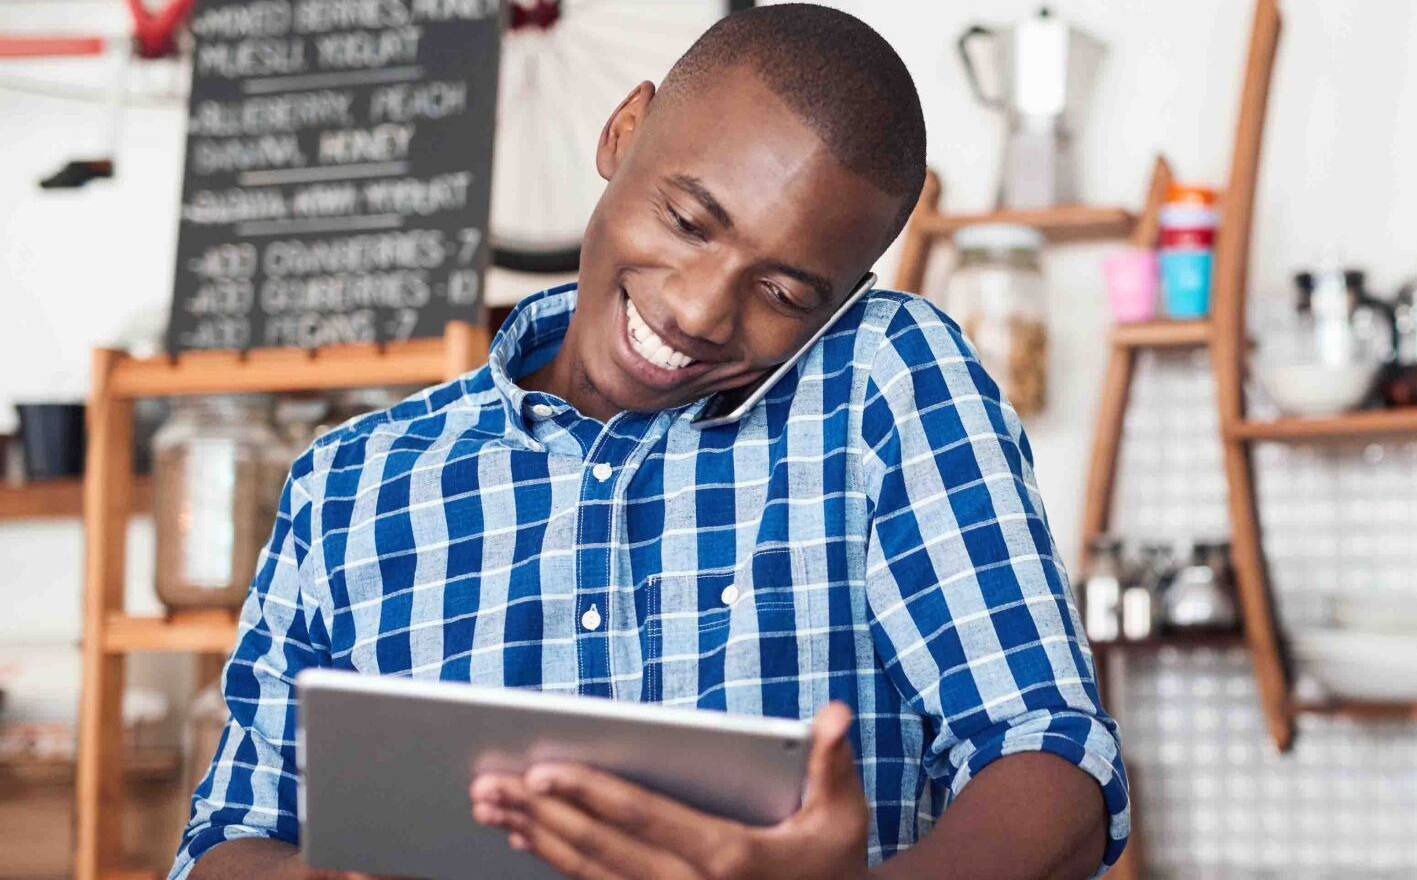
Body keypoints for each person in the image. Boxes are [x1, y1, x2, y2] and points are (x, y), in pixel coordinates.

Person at [172, 6, 1127, 880]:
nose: (701, 310)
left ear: (842, 297)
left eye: (786, 294)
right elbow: (228, 837)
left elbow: (1048, 755)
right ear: (624, 133)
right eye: (687, 221)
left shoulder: (882, 378)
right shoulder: (352, 485)